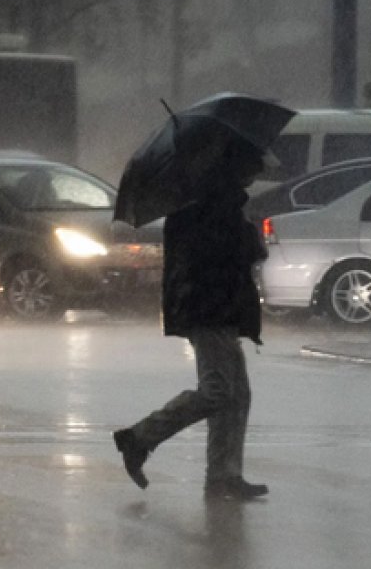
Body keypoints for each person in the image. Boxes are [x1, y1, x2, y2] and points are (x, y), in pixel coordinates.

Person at [113, 141, 273, 501]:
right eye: (250, 167)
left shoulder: (213, 203)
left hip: (218, 308)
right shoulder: (211, 207)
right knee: (218, 391)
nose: (254, 175)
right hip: (209, 309)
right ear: (233, 169)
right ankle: (139, 438)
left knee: (237, 394)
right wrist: (250, 239)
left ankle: (224, 475)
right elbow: (230, 255)